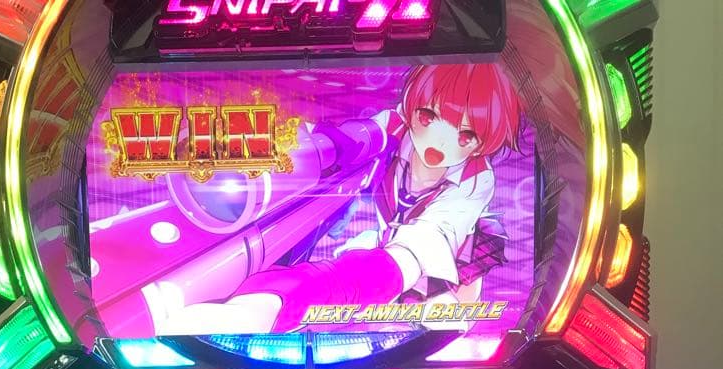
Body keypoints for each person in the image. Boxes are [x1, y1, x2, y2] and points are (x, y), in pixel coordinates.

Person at [171, 63, 523, 334]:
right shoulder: (395, 126)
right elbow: (356, 141)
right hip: (391, 245)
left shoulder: (476, 180)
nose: (440, 142)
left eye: (465, 135)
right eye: (428, 117)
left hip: (448, 258)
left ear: (484, 142)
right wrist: (324, 148)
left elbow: (424, 242)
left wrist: (283, 301)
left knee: (446, 320)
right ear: (412, 106)